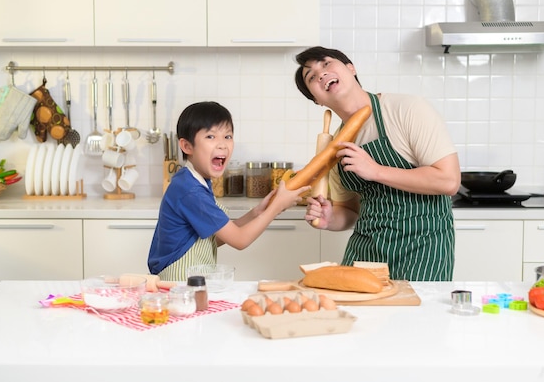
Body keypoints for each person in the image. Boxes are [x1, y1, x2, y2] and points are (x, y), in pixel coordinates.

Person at [295, 46, 461, 281]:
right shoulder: (336, 147)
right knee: (356, 316)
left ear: (351, 68)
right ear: (317, 100)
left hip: (422, 247)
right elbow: (351, 210)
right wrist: (329, 218)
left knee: (415, 317)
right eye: (311, 76)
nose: (320, 73)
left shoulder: (406, 109)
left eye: (326, 63)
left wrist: (376, 171)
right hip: (366, 249)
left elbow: (448, 180)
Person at [148, 101, 310, 281]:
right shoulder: (190, 191)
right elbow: (240, 240)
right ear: (187, 146)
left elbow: (212, 239)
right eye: (211, 137)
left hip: (192, 279)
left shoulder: (194, 181)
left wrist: (257, 212)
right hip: (179, 282)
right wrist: (276, 207)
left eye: (228, 136)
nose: (222, 145)